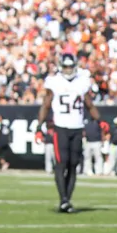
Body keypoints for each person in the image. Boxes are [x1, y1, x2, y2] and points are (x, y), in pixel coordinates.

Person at [36, 53, 101, 213]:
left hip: (77, 127)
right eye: (65, 66)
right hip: (61, 127)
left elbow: (89, 104)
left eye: (70, 66)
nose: (68, 69)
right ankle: (63, 199)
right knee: (61, 163)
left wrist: (99, 120)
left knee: (73, 165)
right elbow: (46, 104)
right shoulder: (54, 81)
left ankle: (67, 200)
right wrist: (39, 125)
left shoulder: (82, 81)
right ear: (61, 66)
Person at [82, 112, 105, 176]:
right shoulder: (86, 121)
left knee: (98, 157)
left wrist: (102, 141)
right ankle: (87, 170)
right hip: (88, 141)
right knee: (87, 157)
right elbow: (83, 131)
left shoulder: (98, 122)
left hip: (97, 142)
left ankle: (99, 171)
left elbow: (102, 131)